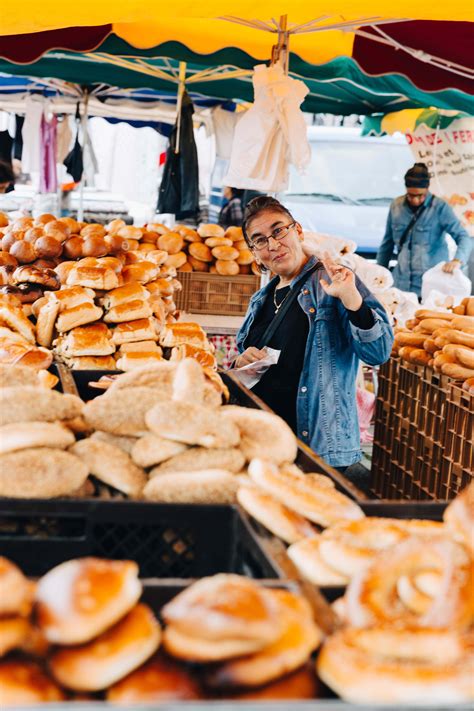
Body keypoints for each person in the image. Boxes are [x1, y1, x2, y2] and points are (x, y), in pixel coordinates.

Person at [234, 196, 393, 470]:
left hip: (314, 449)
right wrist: (241, 363)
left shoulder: (332, 280)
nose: (272, 244)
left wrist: (353, 301)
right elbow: (249, 364)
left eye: (278, 230)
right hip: (263, 445)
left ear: (297, 230)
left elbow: (378, 352)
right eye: (260, 240)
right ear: (254, 252)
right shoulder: (261, 298)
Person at [377, 162, 472, 297]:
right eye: (411, 195)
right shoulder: (396, 206)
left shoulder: (440, 207)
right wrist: (378, 274)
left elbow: (464, 237)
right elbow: (387, 244)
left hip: (430, 287)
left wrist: (457, 260)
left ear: (427, 189)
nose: (415, 200)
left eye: (420, 196)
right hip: (400, 285)